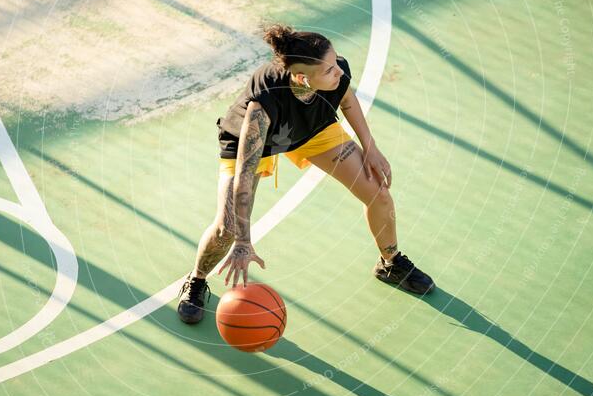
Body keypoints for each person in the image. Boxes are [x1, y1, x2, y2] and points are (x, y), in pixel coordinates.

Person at [177, 24, 435, 324]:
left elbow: (347, 100)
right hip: (257, 144)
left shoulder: (334, 72)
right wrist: (244, 242)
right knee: (228, 226)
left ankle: (390, 263)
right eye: (329, 70)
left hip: (313, 129)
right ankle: (196, 280)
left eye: (335, 62)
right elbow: (245, 178)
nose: (338, 72)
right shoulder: (264, 105)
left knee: (378, 193)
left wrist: (370, 146)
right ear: (302, 77)